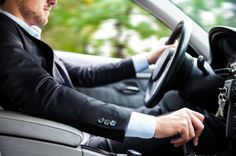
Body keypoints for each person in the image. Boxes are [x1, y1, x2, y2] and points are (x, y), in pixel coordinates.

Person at [0, 0, 205, 155]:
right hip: (72, 140)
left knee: (171, 112)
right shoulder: (3, 35)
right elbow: (44, 94)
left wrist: (148, 59)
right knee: (202, 131)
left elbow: (84, 75)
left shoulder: (20, 34)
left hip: (78, 133)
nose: (54, 1)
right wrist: (155, 126)